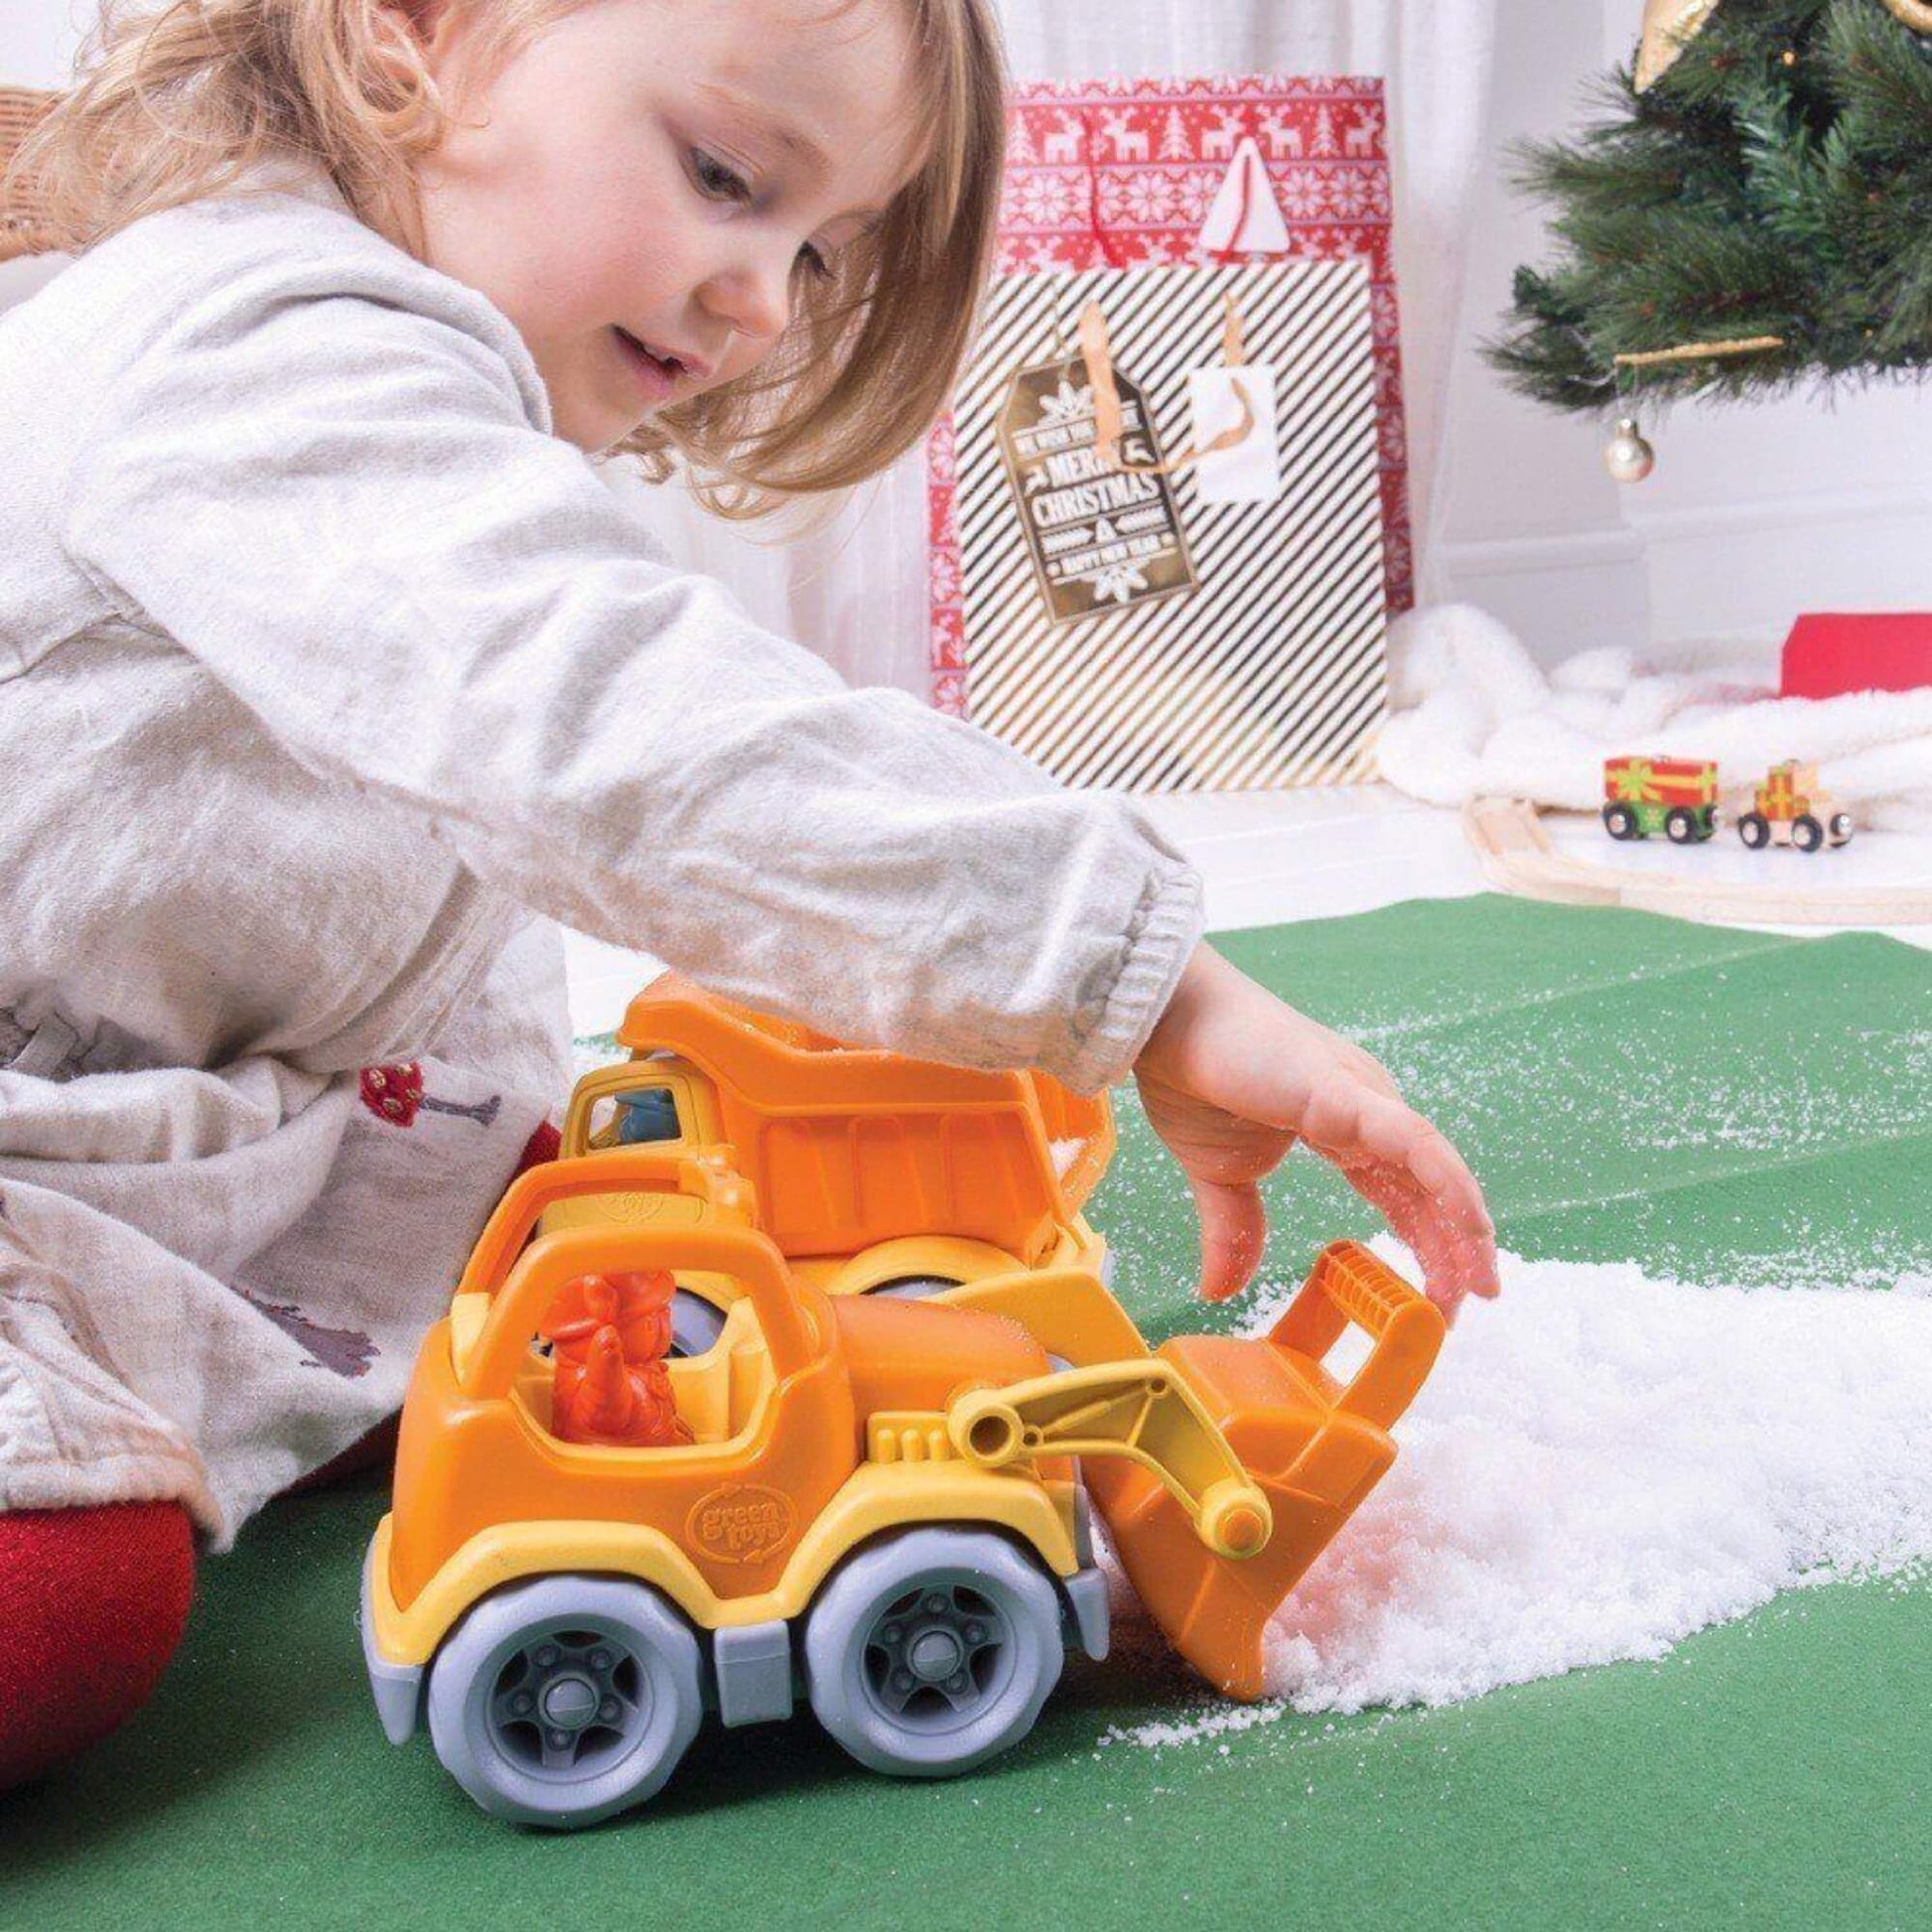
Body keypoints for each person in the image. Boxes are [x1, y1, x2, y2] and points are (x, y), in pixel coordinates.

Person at [0, 0, 1498, 1789]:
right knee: (60, 1605)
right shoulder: (250, 349)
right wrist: (1136, 975)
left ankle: (292, 1348)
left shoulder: (412, 382)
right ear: (411, 31)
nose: (770, 306)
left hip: (214, 1115)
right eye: (724, 178)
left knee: (575, 1237)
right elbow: (608, 735)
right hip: (46, 1146)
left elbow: (470, 873)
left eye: (816, 249)